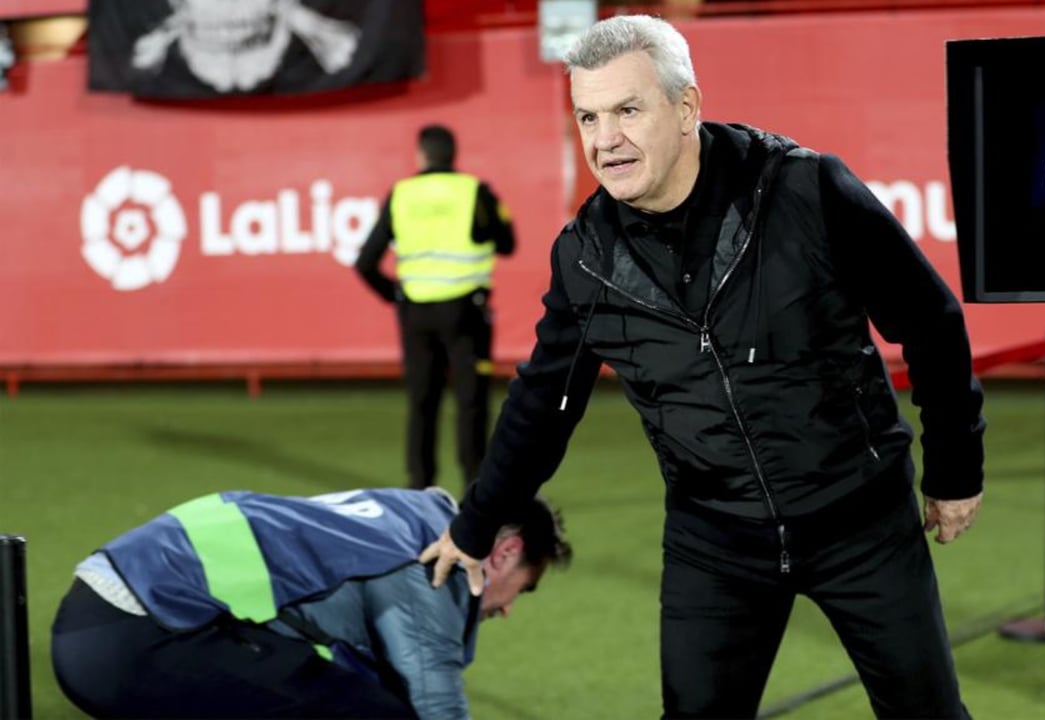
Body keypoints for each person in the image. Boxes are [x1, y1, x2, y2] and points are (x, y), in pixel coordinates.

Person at [422, 14, 986, 720]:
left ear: (686, 107)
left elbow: (929, 319)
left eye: (627, 110)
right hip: (715, 541)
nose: (604, 139)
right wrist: (475, 525)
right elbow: (544, 404)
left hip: (860, 521)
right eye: (588, 117)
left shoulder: (804, 189)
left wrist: (955, 468)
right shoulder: (585, 256)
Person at [51, 487, 570, 719]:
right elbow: (435, 702)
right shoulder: (432, 566)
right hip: (136, 636)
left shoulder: (408, 513)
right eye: (523, 587)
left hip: (116, 614)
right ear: (505, 552)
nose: (508, 608)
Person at [356, 124, 517, 490]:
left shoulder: (402, 194)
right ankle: (476, 489)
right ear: (453, 154)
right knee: (471, 402)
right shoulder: (474, 192)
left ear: (421, 155)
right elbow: (507, 243)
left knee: (421, 402)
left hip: (416, 313)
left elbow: (365, 262)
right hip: (465, 311)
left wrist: (394, 294)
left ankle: (419, 489)